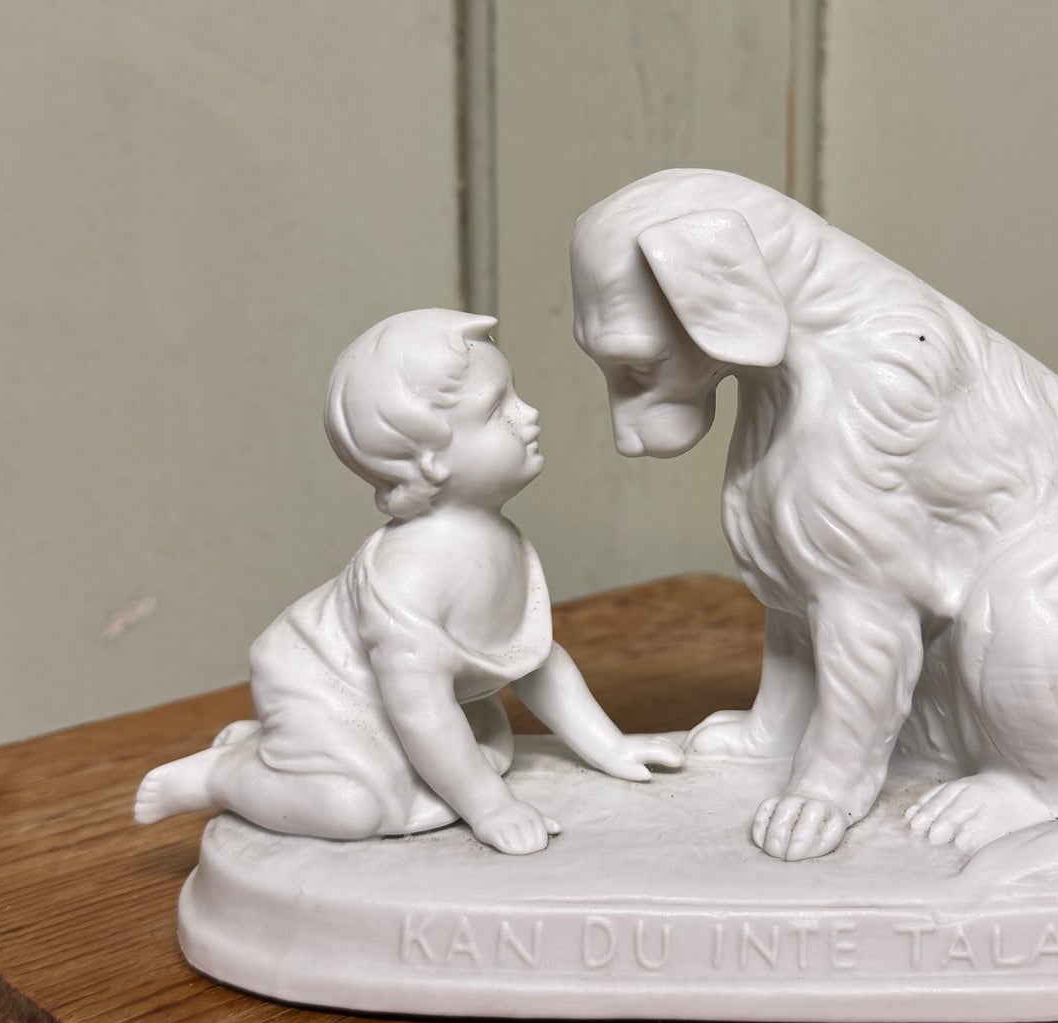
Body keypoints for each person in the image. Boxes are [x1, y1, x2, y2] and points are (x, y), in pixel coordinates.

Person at [135, 310, 681, 853]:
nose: (529, 413)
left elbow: (533, 660)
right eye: (497, 409)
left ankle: (275, 749)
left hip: (405, 698)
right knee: (353, 809)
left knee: (486, 753)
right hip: (321, 687)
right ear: (429, 460)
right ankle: (222, 774)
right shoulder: (410, 580)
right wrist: (490, 807)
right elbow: (421, 708)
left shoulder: (498, 540)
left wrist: (609, 746)